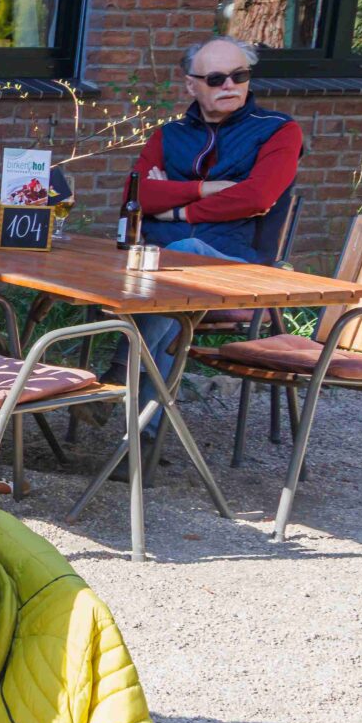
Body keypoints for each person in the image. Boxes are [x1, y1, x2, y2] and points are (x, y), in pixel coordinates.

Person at [124, 35, 304, 447]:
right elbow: (137, 197)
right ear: (192, 85)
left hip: (238, 268)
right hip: (158, 266)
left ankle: (120, 373)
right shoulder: (168, 135)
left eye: (240, 76)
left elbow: (256, 197)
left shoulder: (278, 131)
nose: (230, 85)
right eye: (217, 78)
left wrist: (178, 208)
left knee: (178, 260)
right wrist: (206, 189)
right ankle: (140, 437)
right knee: (163, 278)